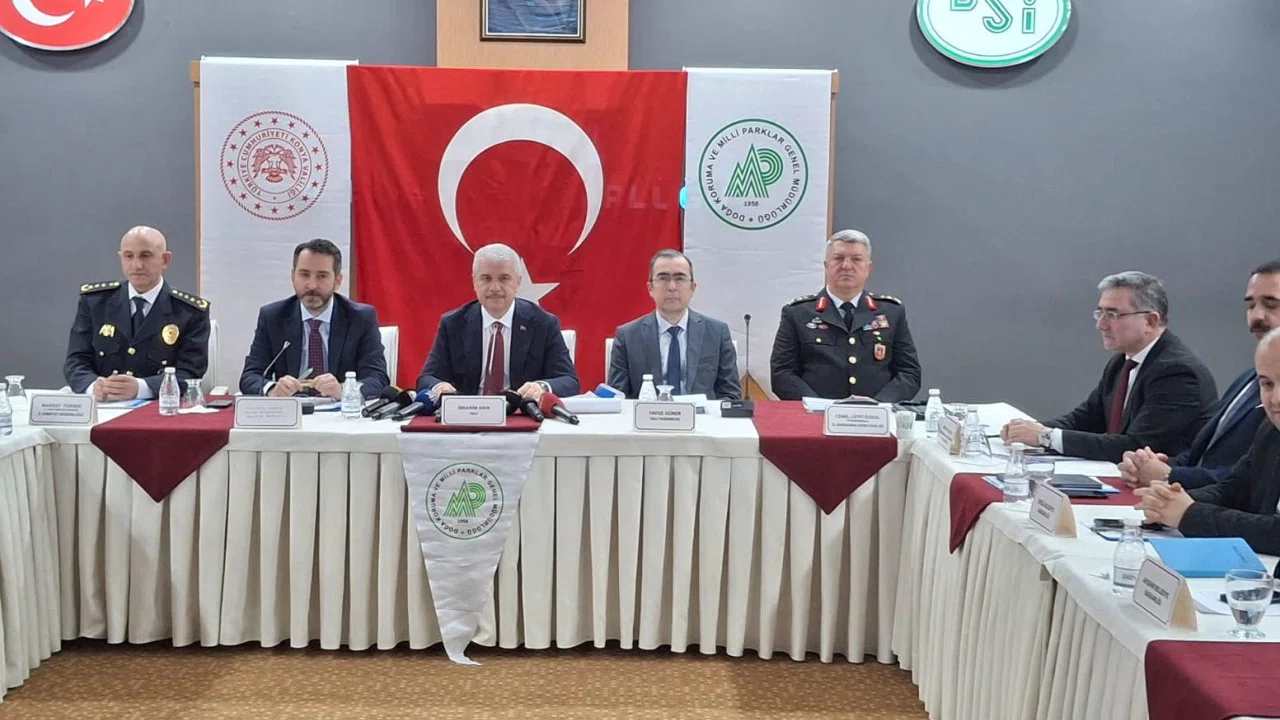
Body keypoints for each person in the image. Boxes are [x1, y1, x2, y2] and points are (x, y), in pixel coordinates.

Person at [1001, 271, 1217, 462]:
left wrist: (1045, 436)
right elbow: (1085, 419)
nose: (1101, 325)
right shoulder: (1122, 361)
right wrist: (1028, 430)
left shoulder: (1177, 373)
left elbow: (1136, 446)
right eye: (1100, 313)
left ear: (1150, 321)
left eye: (1112, 315)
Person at [1119, 261, 1280, 489]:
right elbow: (1205, 453)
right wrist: (1155, 465)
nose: (1256, 316)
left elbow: (1249, 482)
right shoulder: (1248, 380)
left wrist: (1172, 475)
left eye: (1271, 305)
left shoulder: (1179, 370)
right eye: (1251, 305)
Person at [1135, 327, 1280, 556]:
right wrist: (1169, 500)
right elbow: (1234, 490)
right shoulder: (1271, 430)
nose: (1276, 399)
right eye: (1267, 384)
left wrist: (1190, 514)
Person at [769, 229, 921, 402]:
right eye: (838, 258)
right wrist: (819, 407)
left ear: (868, 268)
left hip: (877, 414)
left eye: (856, 259)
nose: (846, 266)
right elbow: (782, 373)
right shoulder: (797, 313)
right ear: (826, 266)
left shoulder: (891, 312)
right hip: (816, 414)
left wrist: (879, 406)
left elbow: (909, 372)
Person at [417, 243, 579, 401]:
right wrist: (439, 386)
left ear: (518, 282)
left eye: (504, 278)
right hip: (470, 411)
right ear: (474, 282)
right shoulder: (453, 324)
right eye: (486, 278)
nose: (495, 287)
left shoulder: (543, 323)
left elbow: (569, 381)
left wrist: (541, 387)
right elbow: (426, 378)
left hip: (521, 412)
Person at [63, 226, 210, 400]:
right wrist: (92, 386)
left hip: (157, 408)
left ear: (165, 260)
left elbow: (190, 374)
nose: (137, 265)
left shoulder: (189, 312)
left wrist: (142, 388)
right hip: (103, 405)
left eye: (145, 255)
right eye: (128, 256)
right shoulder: (95, 303)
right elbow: (76, 361)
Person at [239, 239, 389, 400]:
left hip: (339, 411)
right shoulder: (273, 317)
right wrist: (273, 389)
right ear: (293, 276)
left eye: (322, 276)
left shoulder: (360, 318)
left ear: (337, 281)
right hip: (292, 409)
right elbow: (250, 376)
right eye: (304, 274)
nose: (311, 285)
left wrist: (344, 390)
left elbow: (378, 378)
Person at [608, 249, 740, 400]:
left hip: (701, 414)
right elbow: (617, 398)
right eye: (663, 278)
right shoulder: (628, 336)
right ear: (650, 288)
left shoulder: (717, 334)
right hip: (647, 414)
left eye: (680, 278)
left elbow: (731, 395)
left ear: (693, 288)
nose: (672, 287)